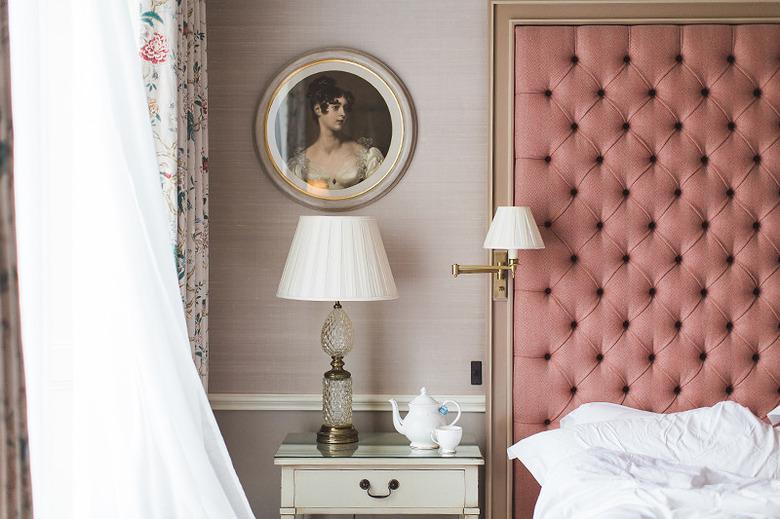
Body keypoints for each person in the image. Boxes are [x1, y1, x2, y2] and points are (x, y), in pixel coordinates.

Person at [288, 76, 384, 189]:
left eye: (345, 108)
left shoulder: (367, 156)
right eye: (336, 107)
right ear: (318, 109)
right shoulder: (299, 163)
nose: (343, 113)